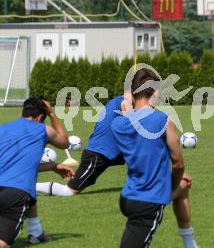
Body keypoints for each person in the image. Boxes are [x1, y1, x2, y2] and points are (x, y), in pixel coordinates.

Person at [36, 91, 199, 248]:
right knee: (71, 190)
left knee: (175, 183)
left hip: (113, 153)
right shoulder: (124, 103)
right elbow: (131, 107)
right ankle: (32, 187)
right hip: (98, 155)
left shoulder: (126, 105)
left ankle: (189, 243)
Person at [111, 68, 193, 248]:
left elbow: (134, 127)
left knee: (183, 187)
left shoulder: (117, 125)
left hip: (127, 198)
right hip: (148, 201)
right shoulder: (162, 120)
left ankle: (191, 245)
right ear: (155, 91)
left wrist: (129, 108)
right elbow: (178, 164)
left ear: (132, 94)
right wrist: (169, 187)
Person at [0, 97, 74, 248]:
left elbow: (20, 164)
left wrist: (53, 166)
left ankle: (36, 232)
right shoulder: (42, 129)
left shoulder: (3, 129)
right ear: (40, 117)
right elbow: (65, 142)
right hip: (15, 194)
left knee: (30, 190)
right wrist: (52, 115)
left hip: (7, 187)